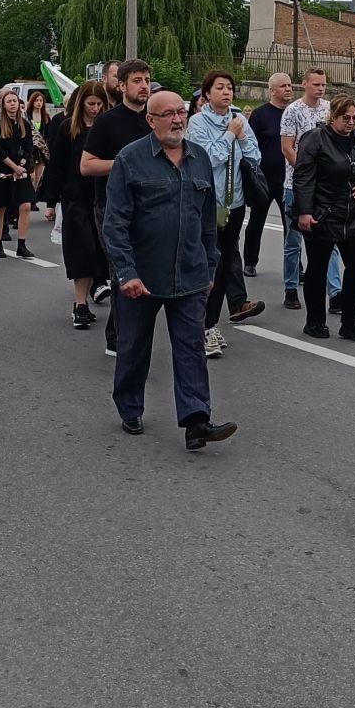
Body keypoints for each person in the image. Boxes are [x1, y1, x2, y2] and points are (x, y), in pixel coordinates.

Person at [101, 89, 237, 452]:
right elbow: (115, 224)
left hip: (190, 274)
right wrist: (126, 273)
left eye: (181, 112)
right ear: (151, 120)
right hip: (141, 277)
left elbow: (208, 221)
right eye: (168, 114)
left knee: (191, 348)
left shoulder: (200, 158)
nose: (177, 120)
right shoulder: (130, 159)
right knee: (133, 348)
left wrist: (210, 267)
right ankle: (130, 406)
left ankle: (196, 422)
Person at [187, 69, 266, 356]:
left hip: (235, 204)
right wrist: (230, 135)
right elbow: (207, 158)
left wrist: (241, 136)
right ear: (207, 93)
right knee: (210, 264)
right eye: (219, 87)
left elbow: (255, 156)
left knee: (224, 265)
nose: (226, 92)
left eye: (230, 87)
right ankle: (201, 326)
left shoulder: (239, 118)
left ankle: (210, 325)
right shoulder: (197, 122)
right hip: (208, 203)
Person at [79, 61, 155, 359]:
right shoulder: (107, 122)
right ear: (121, 85)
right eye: (137, 80)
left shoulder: (154, 119)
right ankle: (120, 339)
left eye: (147, 80)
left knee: (143, 270)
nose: (144, 86)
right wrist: (125, 164)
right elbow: (86, 166)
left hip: (149, 207)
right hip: (112, 208)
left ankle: (122, 333)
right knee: (122, 270)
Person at [291, 90, 355, 343]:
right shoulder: (315, 139)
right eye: (345, 118)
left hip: (353, 216)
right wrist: (304, 211)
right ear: (333, 117)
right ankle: (315, 321)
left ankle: (351, 321)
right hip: (323, 214)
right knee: (318, 269)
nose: (351, 123)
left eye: (354, 118)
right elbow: (303, 176)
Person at [42, 80, 107, 329]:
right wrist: (51, 202)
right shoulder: (68, 128)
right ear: (82, 103)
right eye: (91, 104)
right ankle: (80, 304)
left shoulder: (106, 128)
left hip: (103, 198)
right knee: (82, 252)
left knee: (99, 251)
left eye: (99, 104)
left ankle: (97, 287)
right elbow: (57, 166)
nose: (95, 108)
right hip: (75, 199)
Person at [278, 68, 342, 311]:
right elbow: (287, 147)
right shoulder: (293, 110)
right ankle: (291, 288)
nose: (320, 88)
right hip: (295, 184)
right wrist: (307, 172)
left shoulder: (329, 109)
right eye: (316, 84)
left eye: (323, 84)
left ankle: (335, 292)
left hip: (324, 187)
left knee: (330, 240)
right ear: (304, 84)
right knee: (293, 240)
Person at [242, 72, 291, 275]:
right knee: (256, 221)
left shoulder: (293, 113)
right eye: (283, 86)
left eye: (289, 85)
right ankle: (250, 262)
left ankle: (294, 265)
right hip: (264, 178)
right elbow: (249, 145)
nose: (288, 89)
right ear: (272, 90)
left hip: (287, 178)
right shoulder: (260, 115)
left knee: (291, 224)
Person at [0, 88, 37, 259]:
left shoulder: (25, 124)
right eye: (9, 101)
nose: (13, 104)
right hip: (2, 169)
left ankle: (22, 244)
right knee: (0, 208)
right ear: (3, 105)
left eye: (15, 101)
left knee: (26, 205)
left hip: (21, 169)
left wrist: (22, 165)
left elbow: (29, 147)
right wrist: (14, 167)